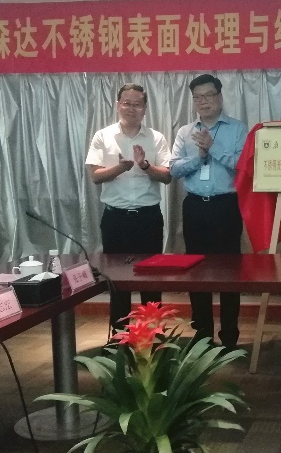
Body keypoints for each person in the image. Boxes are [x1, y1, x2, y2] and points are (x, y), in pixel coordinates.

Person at [170, 74, 248, 349]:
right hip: (194, 207)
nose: (203, 101)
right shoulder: (185, 132)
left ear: (220, 97)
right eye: (198, 97)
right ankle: (202, 335)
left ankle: (229, 338)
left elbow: (242, 165)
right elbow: (174, 169)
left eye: (208, 95)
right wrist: (198, 157)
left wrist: (213, 149)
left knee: (230, 272)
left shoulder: (237, 129)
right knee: (196, 271)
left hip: (226, 206)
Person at [85, 83, 171, 328]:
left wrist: (144, 165)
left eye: (137, 104)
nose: (131, 108)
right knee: (117, 282)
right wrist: (120, 168)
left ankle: (153, 338)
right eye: (126, 103)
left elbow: (167, 176)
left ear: (145, 108)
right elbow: (95, 176)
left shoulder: (156, 138)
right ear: (117, 105)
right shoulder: (103, 136)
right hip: (115, 220)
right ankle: (119, 338)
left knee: (151, 282)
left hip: (148, 218)